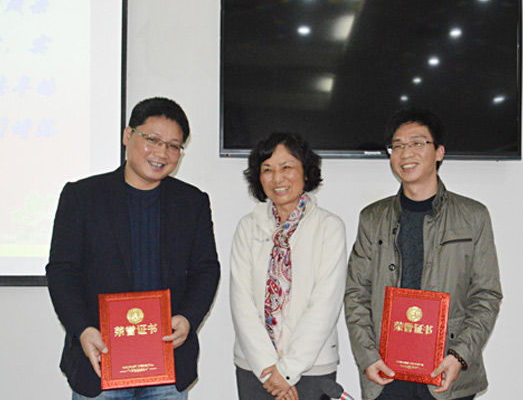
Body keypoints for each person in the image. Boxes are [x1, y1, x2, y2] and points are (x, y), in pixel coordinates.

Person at [46, 97, 221, 399]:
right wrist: (82, 329)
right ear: (128, 135)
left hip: (167, 365)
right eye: (152, 139)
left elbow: (206, 269)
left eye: (173, 146)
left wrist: (188, 318)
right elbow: (62, 271)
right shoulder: (82, 196)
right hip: (100, 361)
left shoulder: (192, 202)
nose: (162, 153)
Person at [344, 108, 502, 400]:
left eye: (417, 143)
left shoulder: (473, 216)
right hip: (386, 375)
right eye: (398, 146)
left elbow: (486, 295)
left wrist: (459, 356)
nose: (406, 153)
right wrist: (367, 357)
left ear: (439, 152)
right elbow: (356, 294)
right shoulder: (372, 218)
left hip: (447, 373)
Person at [230, 132, 347, 400]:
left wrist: (287, 372)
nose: (277, 178)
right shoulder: (247, 227)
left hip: (313, 366)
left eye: (287, 167)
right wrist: (269, 370)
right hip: (255, 367)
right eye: (267, 169)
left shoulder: (329, 227)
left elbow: (325, 303)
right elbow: (241, 301)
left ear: (306, 172)